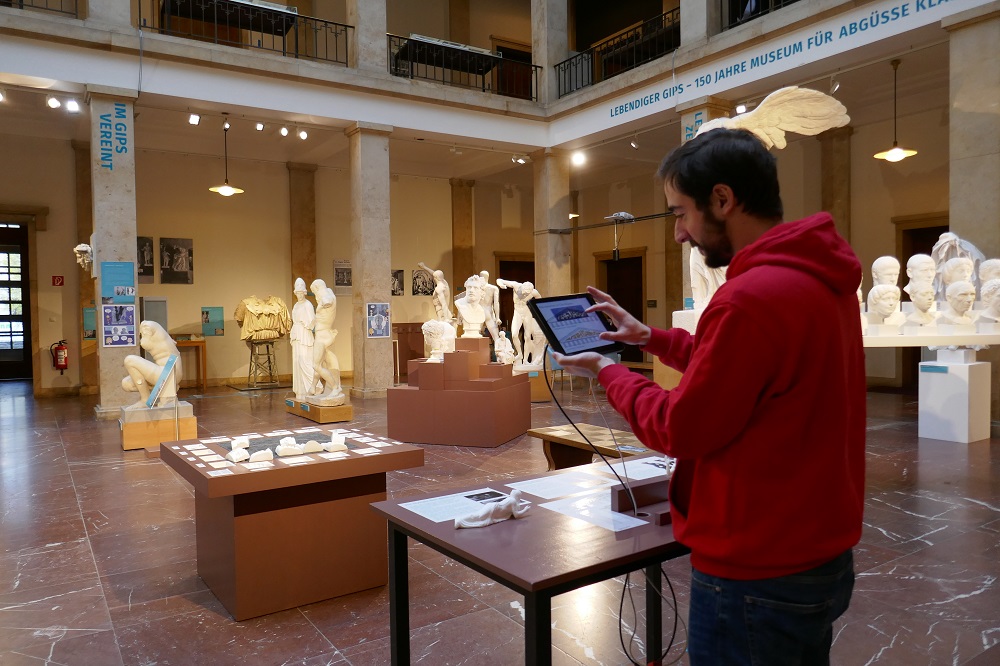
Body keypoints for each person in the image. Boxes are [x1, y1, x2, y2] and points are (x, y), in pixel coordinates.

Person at [552, 128, 864, 665]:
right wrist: (649, 338)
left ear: (723, 199)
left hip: (756, 565)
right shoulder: (818, 278)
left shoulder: (748, 298)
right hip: (817, 550)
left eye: (680, 213)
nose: (678, 234)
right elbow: (745, 368)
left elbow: (681, 427)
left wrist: (608, 371)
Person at [308, 278, 346, 405]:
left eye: (314, 292)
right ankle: (313, 388)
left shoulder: (326, 295)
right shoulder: (329, 292)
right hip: (323, 334)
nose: (315, 297)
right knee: (321, 363)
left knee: (316, 365)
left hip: (323, 336)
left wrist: (324, 302)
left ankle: (336, 387)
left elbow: (327, 300)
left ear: (318, 289)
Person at [496, 278, 543, 363]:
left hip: (527, 313)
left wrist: (536, 311)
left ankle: (525, 360)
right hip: (517, 312)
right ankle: (520, 354)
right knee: (514, 335)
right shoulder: (516, 285)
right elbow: (499, 280)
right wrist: (501, 285)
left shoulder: (534, 292)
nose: (525, 295)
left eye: (527, 294)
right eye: (524, 292)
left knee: (528, 337)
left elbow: (540, 301)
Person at [289, 278, 315, 401]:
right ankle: (301, 392)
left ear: (304, 292)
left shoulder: (307, 305)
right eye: (297, 293)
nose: (299, 295)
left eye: (301, 293)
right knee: (297, 362)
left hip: (304, 334)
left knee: (305, 362)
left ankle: (314, 387)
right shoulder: (296, 305)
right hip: (296, 335)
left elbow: (312, 321)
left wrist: (307, 326)